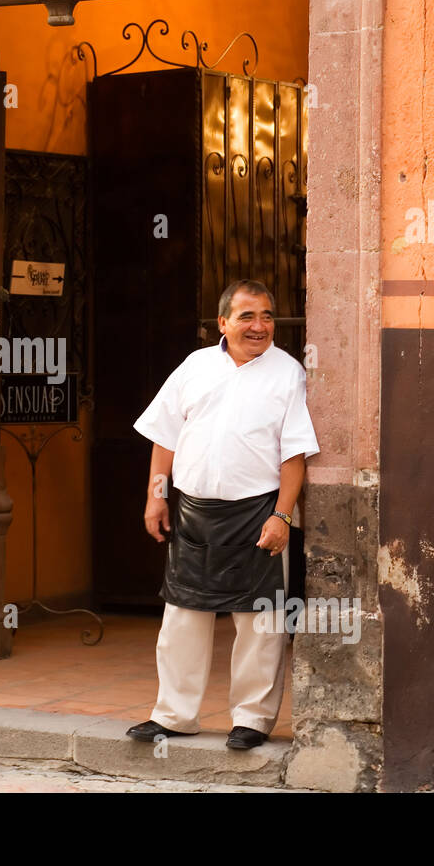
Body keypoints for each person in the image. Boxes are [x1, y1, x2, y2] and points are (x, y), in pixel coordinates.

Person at [127, 279, 319, 750]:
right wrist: (157, 495)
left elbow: (294, 455)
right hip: (193, 511)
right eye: (248, 316)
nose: (259, 326)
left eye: (267, 316)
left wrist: (283, 516)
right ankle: (173, 715)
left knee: (260, 622)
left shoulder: (287, 373)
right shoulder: (194, 366)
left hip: (259, 511)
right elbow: (165, 435)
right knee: (182, 617)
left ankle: (251, 720)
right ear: (223, 322)